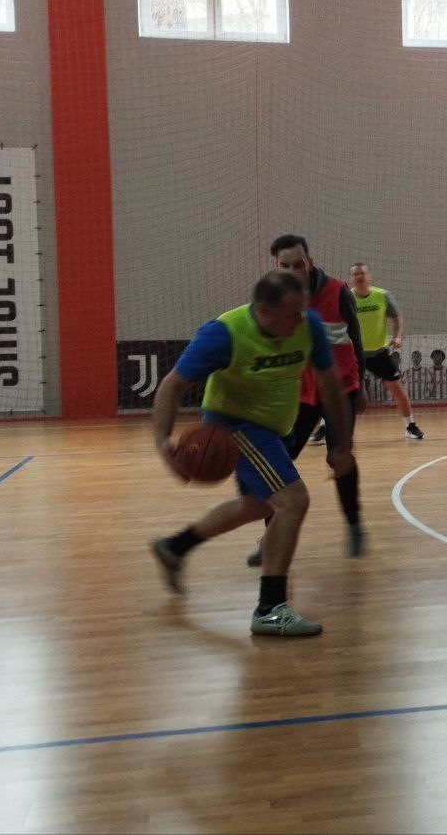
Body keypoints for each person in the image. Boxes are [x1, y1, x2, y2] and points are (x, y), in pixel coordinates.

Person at [149, 270, 353, 637]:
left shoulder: (308, 325)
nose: (300, 320)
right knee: (293, 500)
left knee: (259, 505)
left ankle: (175, 546)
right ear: (263, 310)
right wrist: (163, 442)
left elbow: (329, 384)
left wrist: (341, 444)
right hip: (234, 425)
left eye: (303, 311)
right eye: (291, 314)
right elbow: (172, 385)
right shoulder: (223, 333)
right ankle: (271, 609)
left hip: (276, 428)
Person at [247, 235, 368, 564]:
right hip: (298, 391)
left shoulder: (337, 291)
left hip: (341, 388)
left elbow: (356, 340)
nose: (293, 271)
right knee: (278, 463)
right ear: (276, 267)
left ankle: (354, 525)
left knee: (339, 456)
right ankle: (270, 540)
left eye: (298, 264)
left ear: (310, 263)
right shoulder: (271, 298)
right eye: (285, 266)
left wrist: (362, 385)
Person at [316, 262, 423, 440]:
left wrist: (398, 337)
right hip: (352, 353)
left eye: (362, 273)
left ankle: (410, 426)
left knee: (397, 388)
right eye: (355, 274)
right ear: (350, 279)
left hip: (378, 353)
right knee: (336, 390)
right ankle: (325, 428)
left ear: (369, 277)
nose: (359, 276)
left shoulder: (382, 295)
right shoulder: (346, 297)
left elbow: (397, 317)